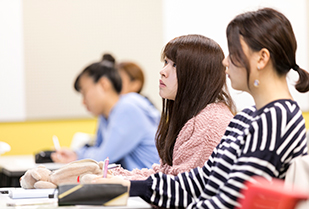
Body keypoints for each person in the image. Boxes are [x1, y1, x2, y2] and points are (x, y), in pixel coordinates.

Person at [95, 8, 309, 208]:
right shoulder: (246, 118)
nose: (225, 62)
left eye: (234, 52)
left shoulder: (277, 120)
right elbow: (201, 181)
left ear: (262, 58)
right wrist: (130, 186)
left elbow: (230, 202)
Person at [98, 34, 235, 181]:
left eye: (175, 65)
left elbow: (180, 189)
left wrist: (120, 181)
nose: (163, 71)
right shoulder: (194, 116)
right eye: (166, 62)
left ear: (198, 74)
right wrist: (116, 176)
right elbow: (165, 175)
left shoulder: (209, 123)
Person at [51, 56, 161, 171]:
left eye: (85, 92)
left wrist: (77, 156)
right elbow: (98, 148)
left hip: (152, 184)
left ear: (103, 84)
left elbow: (103, 158)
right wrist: (75, 154)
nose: (83, 102)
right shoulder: (106, 115)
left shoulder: (127, 108)